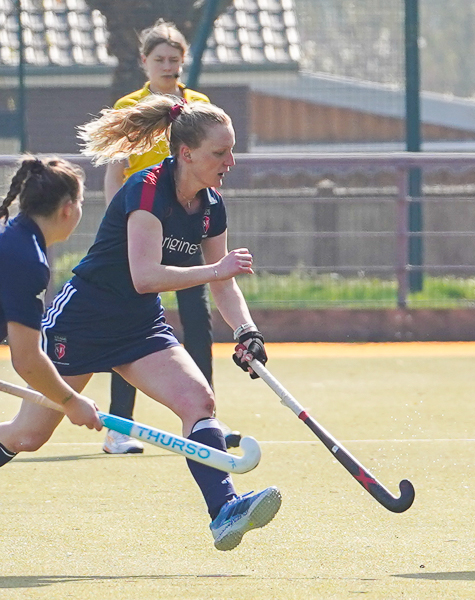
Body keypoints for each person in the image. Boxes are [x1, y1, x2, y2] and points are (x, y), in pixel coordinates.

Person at [24, 95, 278, 551]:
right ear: (186, 153)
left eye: (231, 150)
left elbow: (224, 285)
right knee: (29, 435)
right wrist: (215, 270)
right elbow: (146, 276)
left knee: (199, 401)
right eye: (220, 152)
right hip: (83, 320)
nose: (231, 162)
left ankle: (225, 511)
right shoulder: (147, 189)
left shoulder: (212, 206)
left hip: (140, 327)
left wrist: (246, 331)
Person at [100, 19, 239, 454]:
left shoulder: (199, 106)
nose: (167, 66)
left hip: (183, 229)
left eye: (174, 60)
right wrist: (120, 224)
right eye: (159, 59)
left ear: (183, 62)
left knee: (197, 319)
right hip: (143, 227)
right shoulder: (130, 106)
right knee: (128, 322)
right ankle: (119, 426)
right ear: (144, 61)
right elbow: (115, 173)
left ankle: (205, 420)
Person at [0, 155, 104, 465]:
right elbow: (27, 360)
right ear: (67, 209)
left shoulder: (14, 240)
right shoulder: (26, 259)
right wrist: (70, 401)